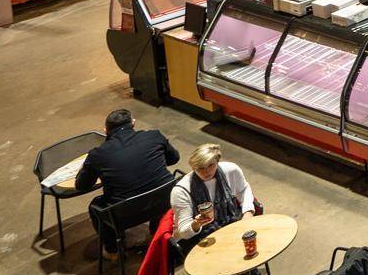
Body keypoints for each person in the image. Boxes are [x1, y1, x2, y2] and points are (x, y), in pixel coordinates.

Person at [77, 109, 179, 248]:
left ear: (105, 130)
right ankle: (157, 230)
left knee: (95, 206)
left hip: (125, 215)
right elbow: (174, 158)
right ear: (133, 123)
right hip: (167, 200)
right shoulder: (154, 136)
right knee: (155, 185)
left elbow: (82, 185)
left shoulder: (97, 155)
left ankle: (112, 250)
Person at [168, 144, 256, 265]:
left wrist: (248, 212)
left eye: (211, 165)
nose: (206, 171)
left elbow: (244, 190)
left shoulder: (231, 170)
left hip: (229, 225)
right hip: (198, 238)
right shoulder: (181, 191)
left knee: (248, 249)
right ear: (193, 167)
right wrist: (196, 223)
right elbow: (183, 232)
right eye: (200, 168)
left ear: (217, 161)